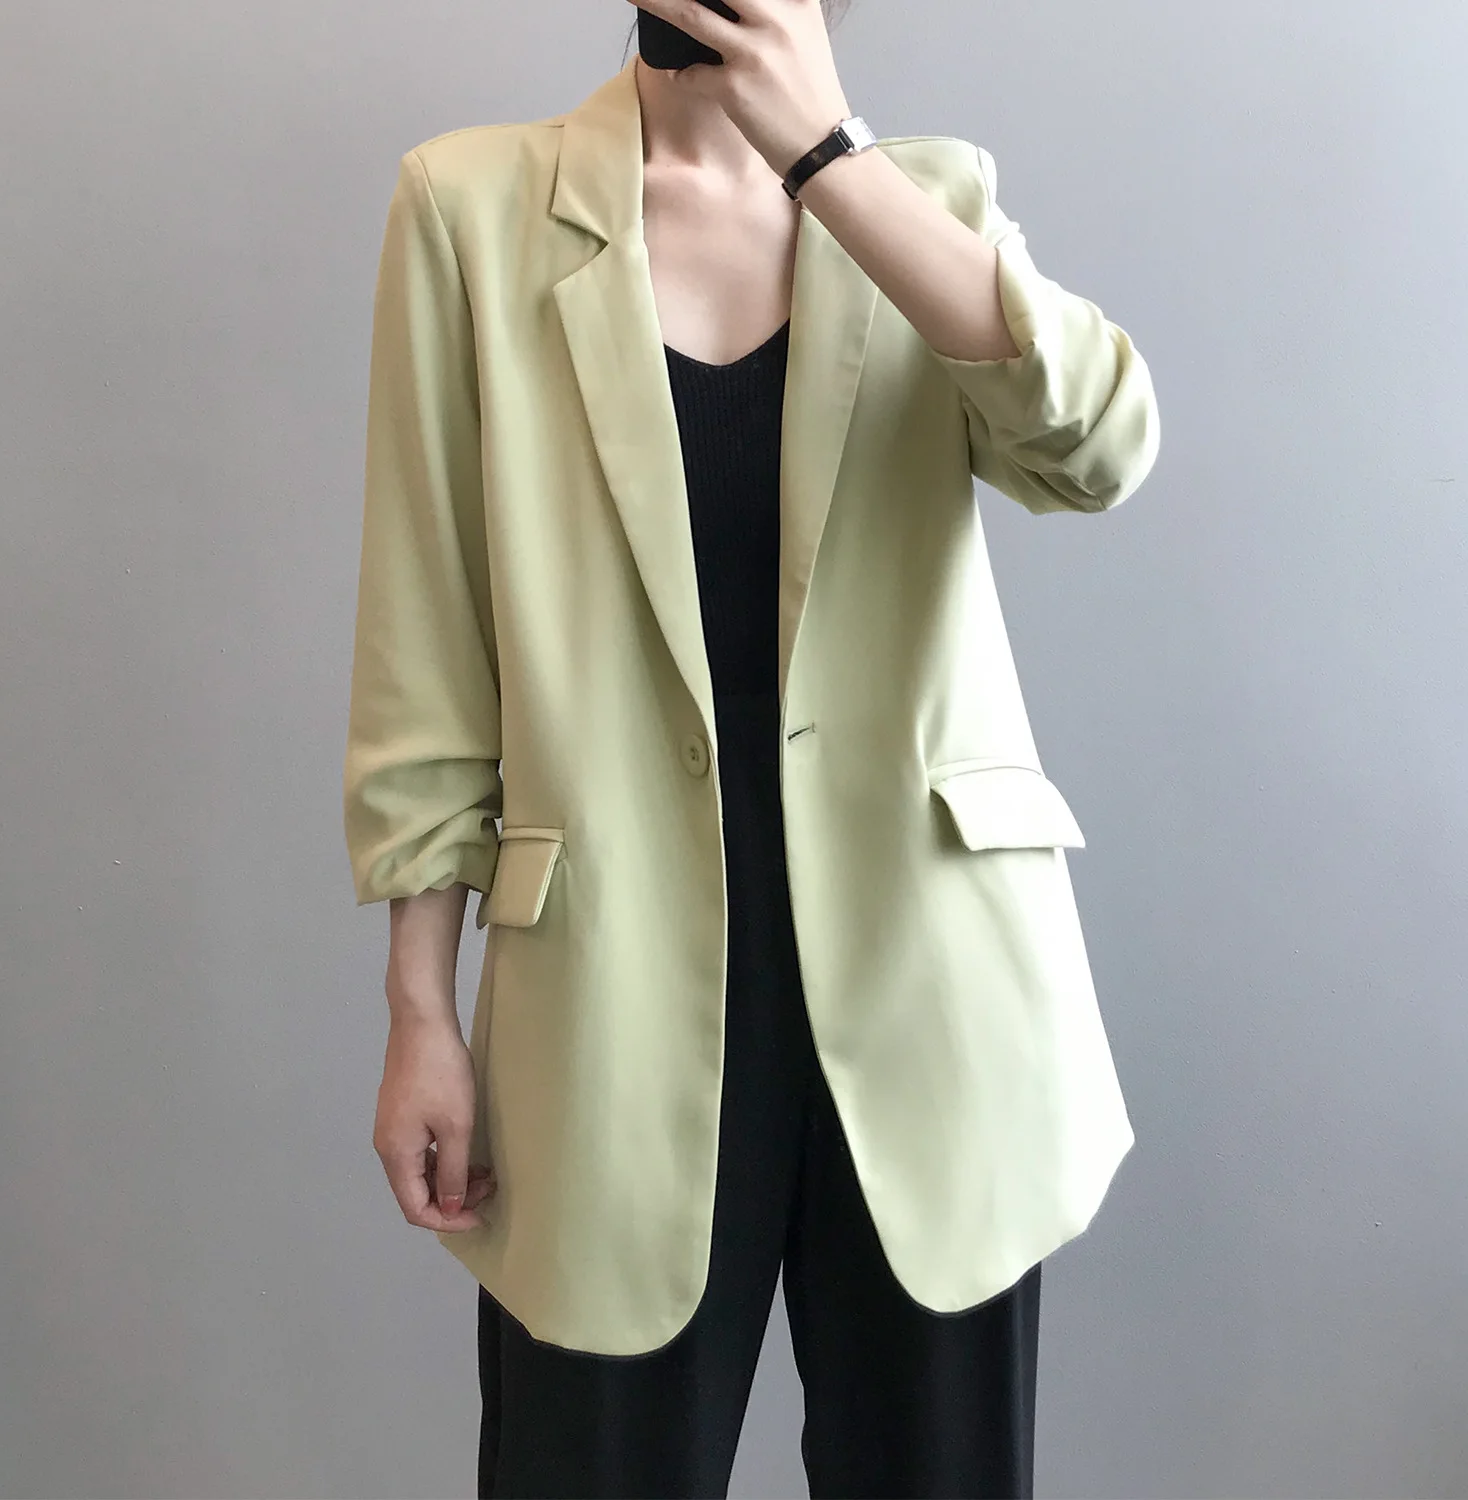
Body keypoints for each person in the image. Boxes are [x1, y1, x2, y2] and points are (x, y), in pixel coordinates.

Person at [343, 2, 1160, 1495]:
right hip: (608, 1004)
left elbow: (1097, 450)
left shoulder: (929, 198)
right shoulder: (469, 207)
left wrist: (832, 157)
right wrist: (419, 1007)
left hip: (928, 998)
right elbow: (428, 639)